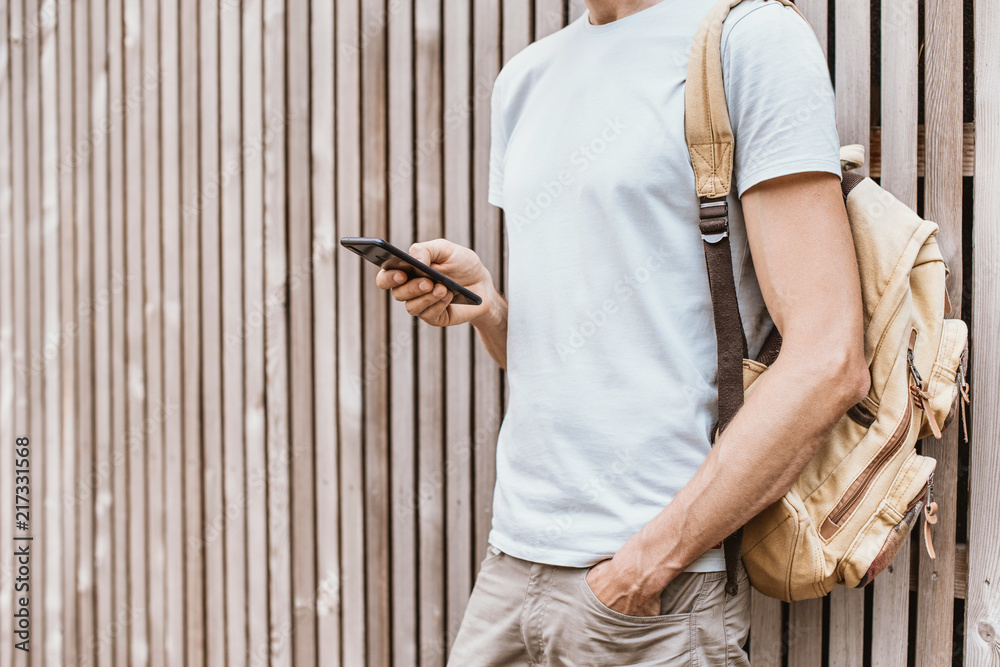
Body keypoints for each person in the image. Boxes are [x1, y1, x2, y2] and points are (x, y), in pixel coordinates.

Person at [375, 0, 869, 663]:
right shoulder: (525, 78)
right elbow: (588, 354)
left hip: (649, 596)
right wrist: (489, 307)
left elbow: (829, 356)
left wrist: (644, 564)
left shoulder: (748, 42)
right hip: (511, 569)